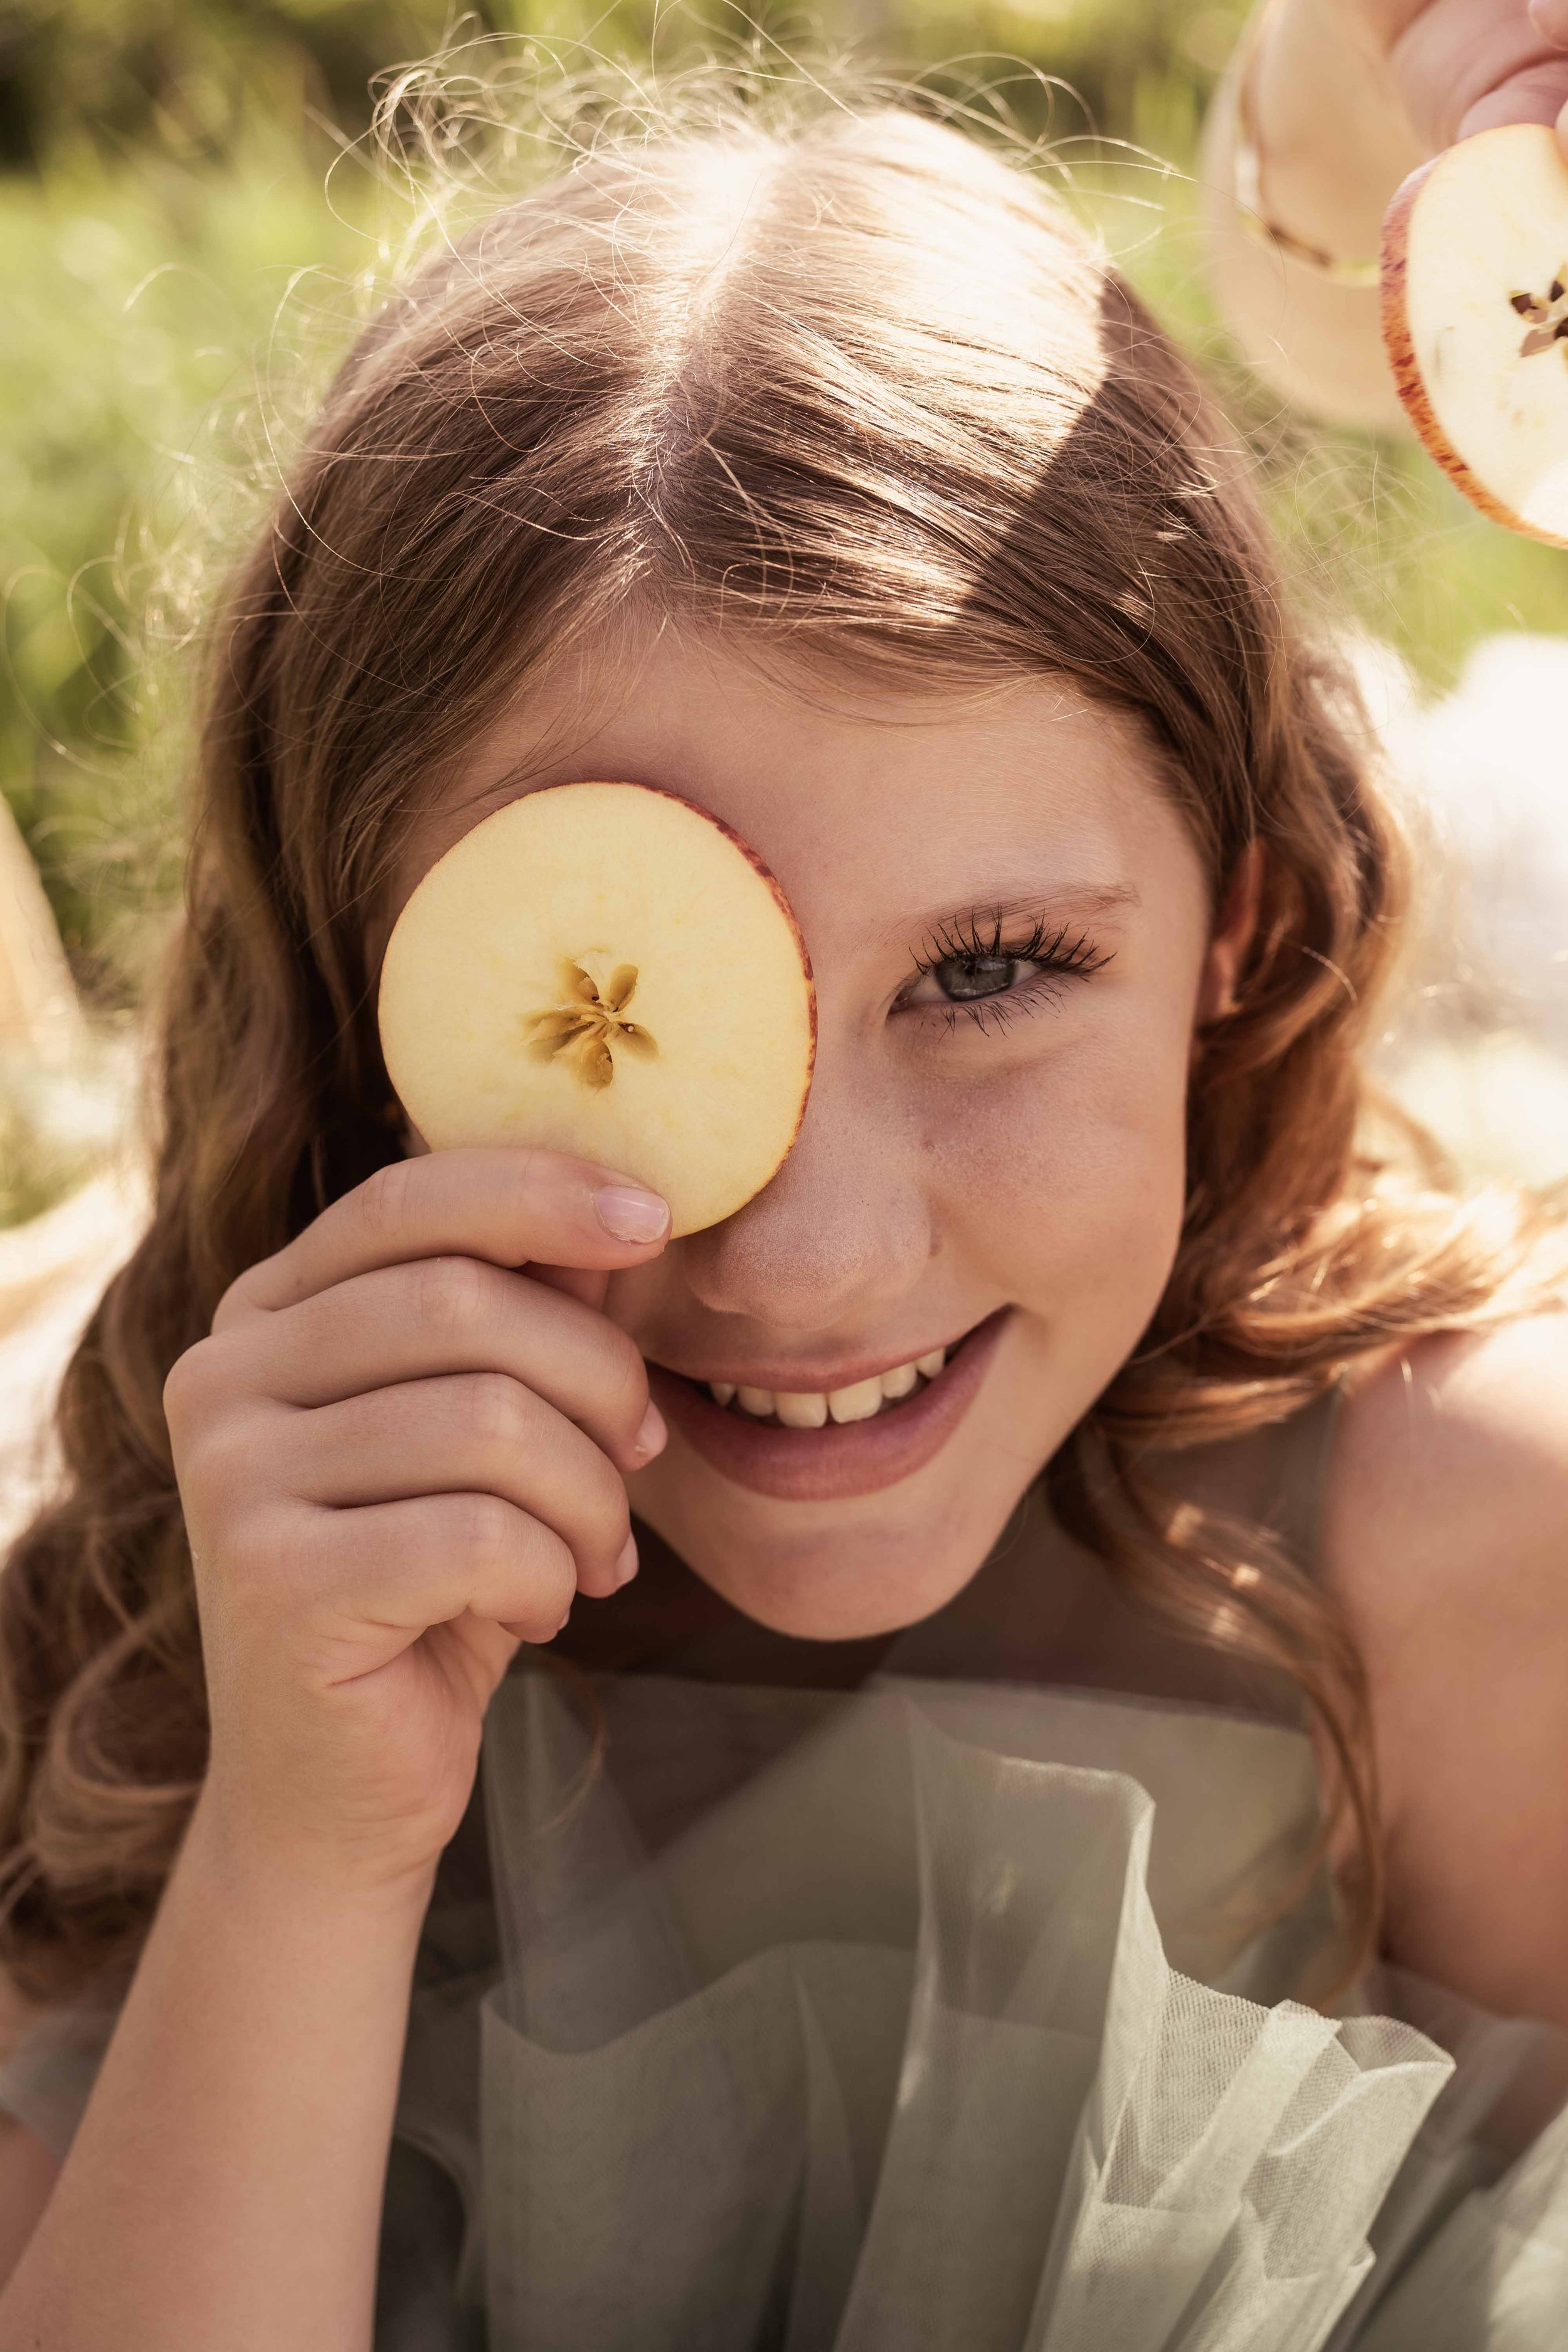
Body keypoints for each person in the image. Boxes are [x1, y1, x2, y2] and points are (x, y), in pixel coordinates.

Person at [0, 3, 1565, 2344]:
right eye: (610, 1018)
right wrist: (309, 1853)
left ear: (1232, 923)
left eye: (998, 971)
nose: (810, 1254)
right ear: (369, 985)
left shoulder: (1470, 1564)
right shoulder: (171, 1595)